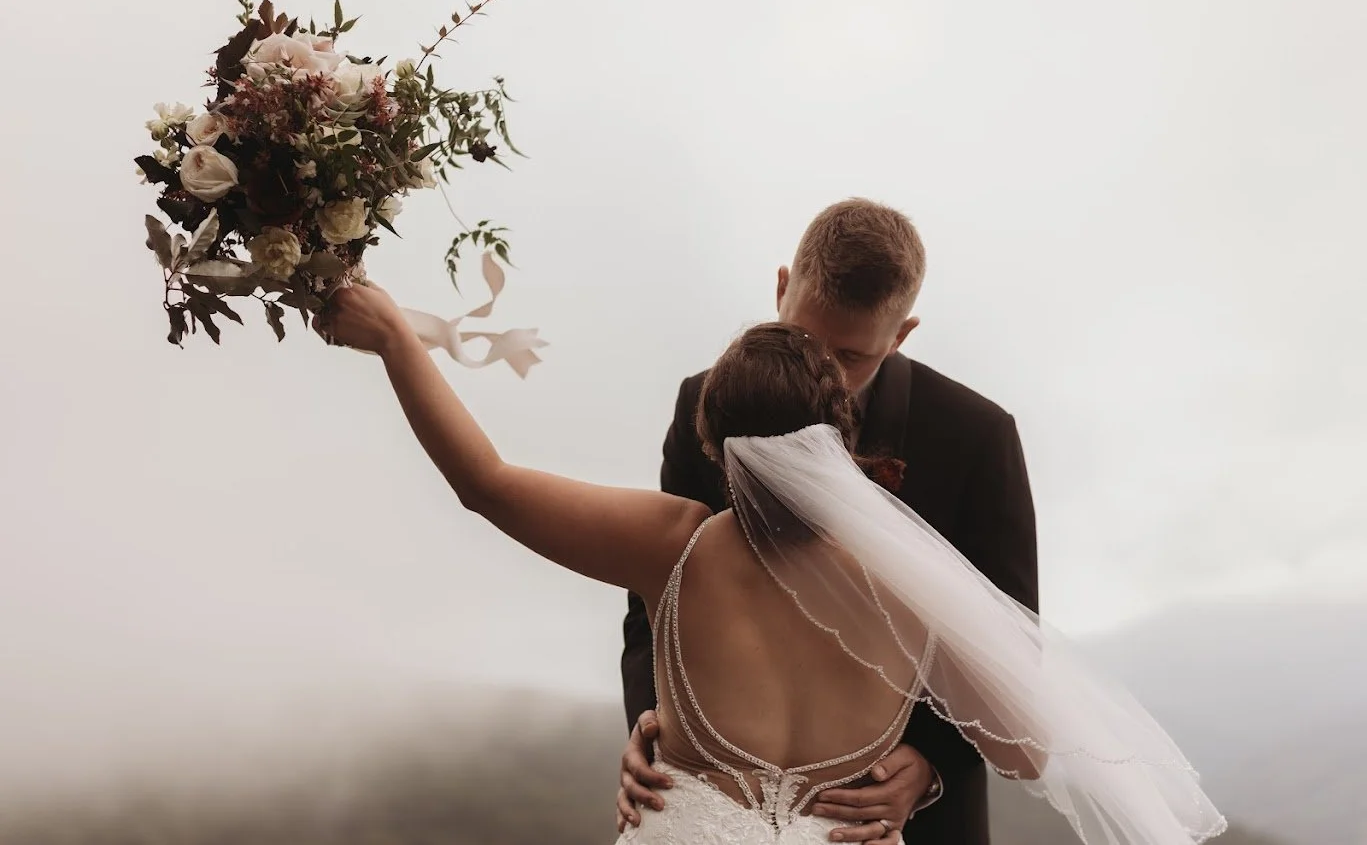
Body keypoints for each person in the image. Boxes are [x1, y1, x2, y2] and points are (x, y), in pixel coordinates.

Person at [314, 272, 1224, 845]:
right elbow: (1025, 751)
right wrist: (935, 754)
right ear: (841, 434)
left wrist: (398, 337)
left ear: (711, 442)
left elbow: (486, 481)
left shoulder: (673, 546)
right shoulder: (912, 583)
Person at [620, 198, 1036, 845]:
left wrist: (929, 764)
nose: (825, 377)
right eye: (806, 340)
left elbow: (1010, 651)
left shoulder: (976, 436)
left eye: (850, 355)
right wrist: (651, 732)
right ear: (782, 288)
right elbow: (653, 602)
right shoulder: (703, 399)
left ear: (899, 336)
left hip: (901, 825)